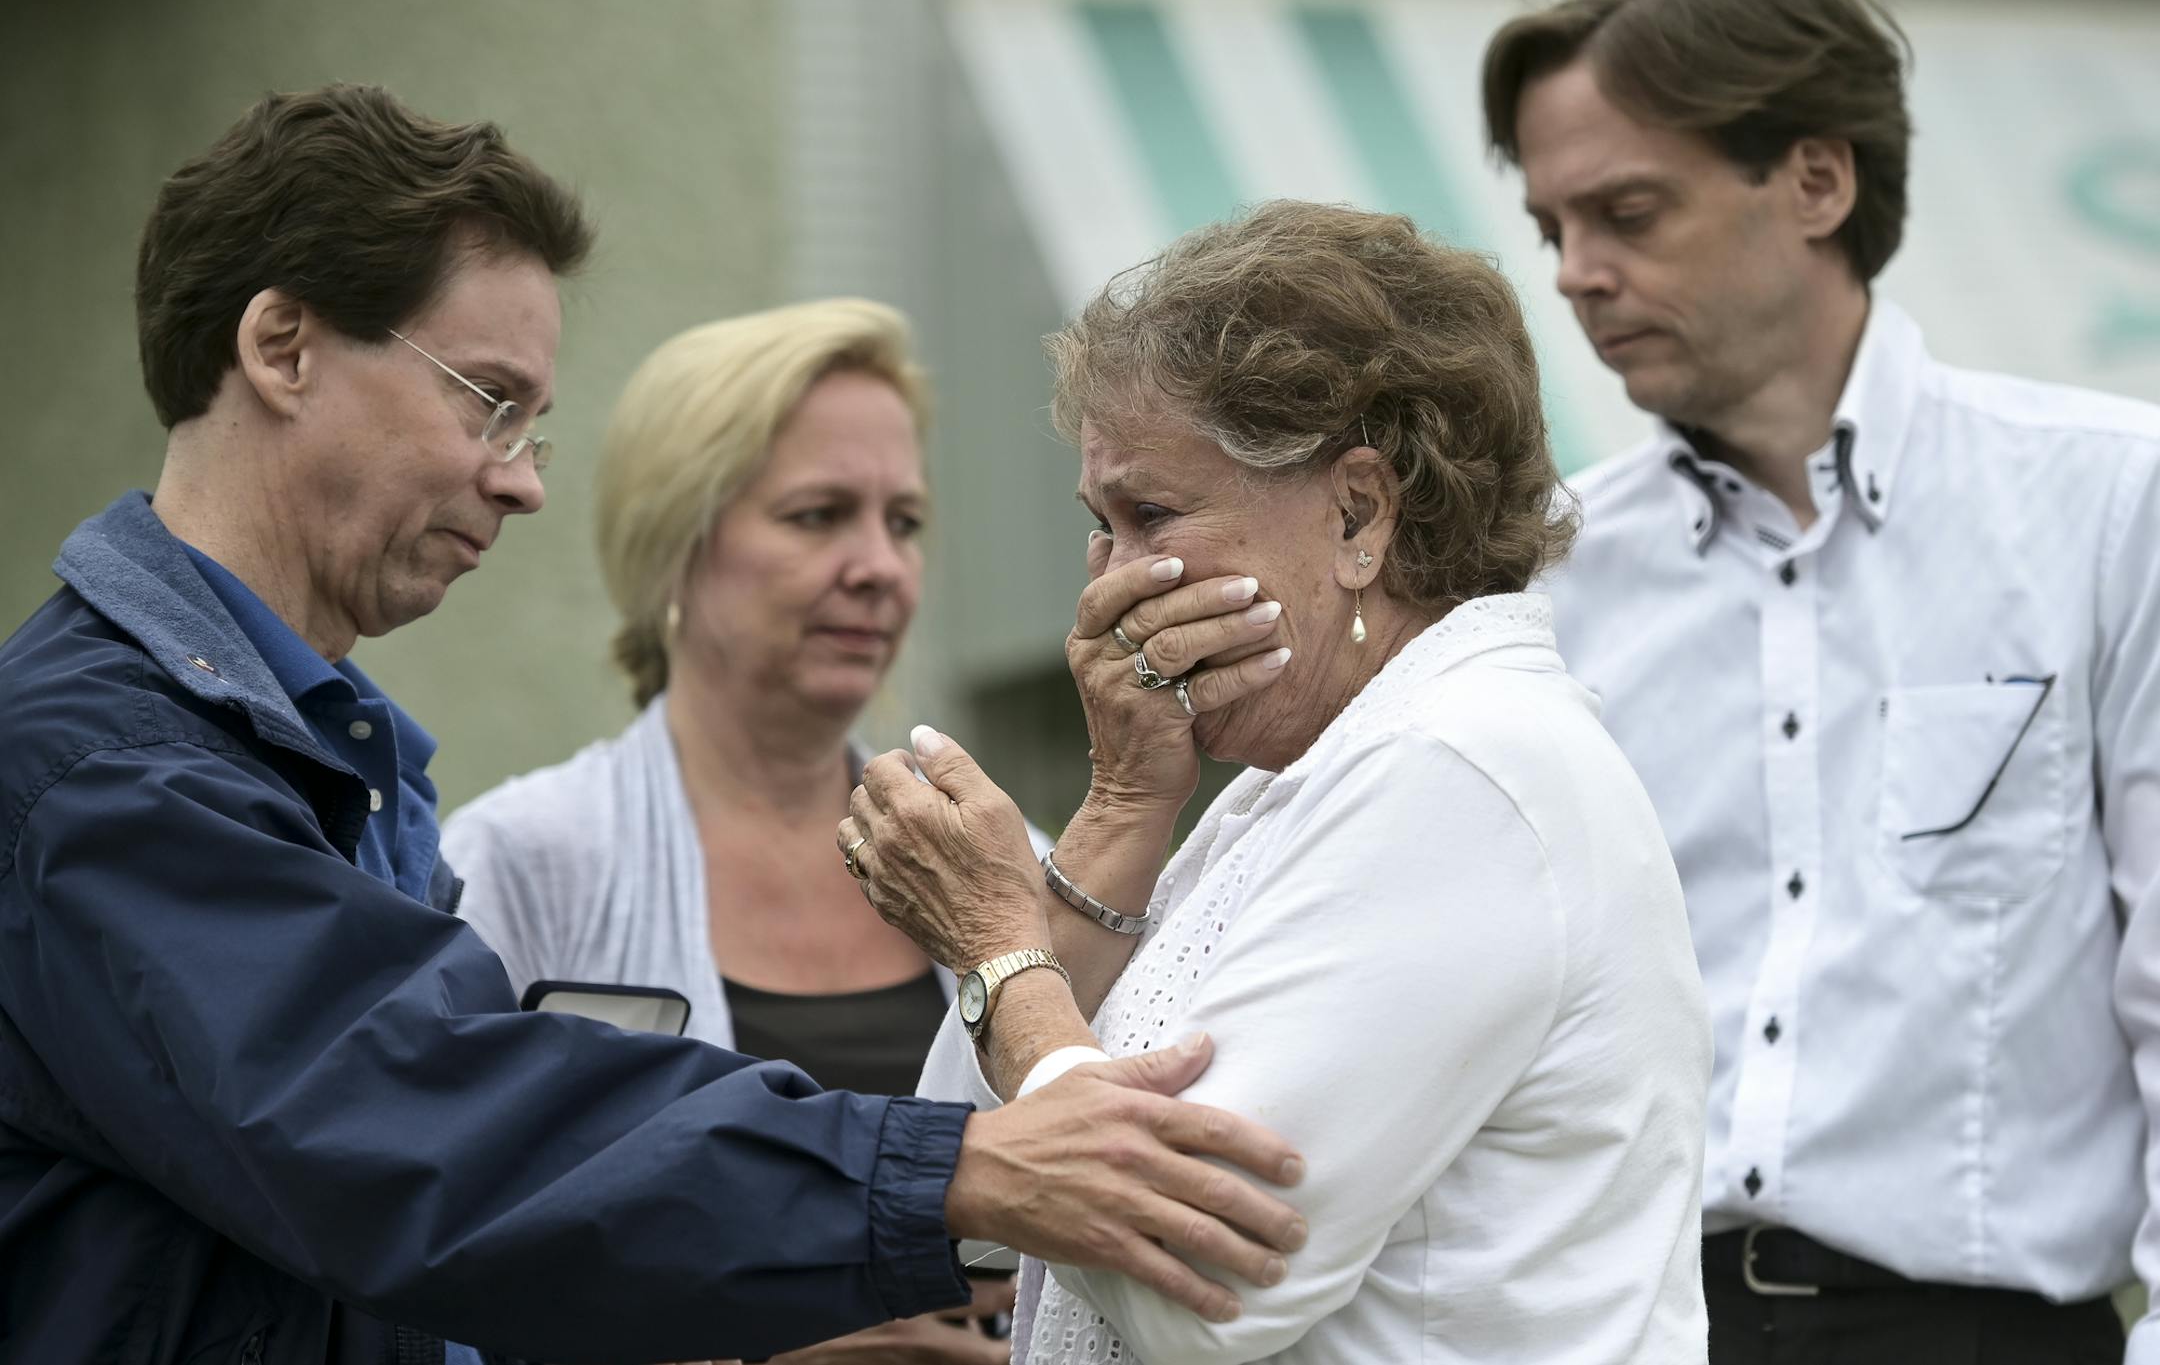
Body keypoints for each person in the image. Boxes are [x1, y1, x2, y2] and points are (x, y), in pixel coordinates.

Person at [0, 83, 1312, 1365]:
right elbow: (426, 1130)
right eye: (487, 400)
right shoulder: (105, 769)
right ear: (280, 346)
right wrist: (938, 1182)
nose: (516, 481)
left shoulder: (307, 756)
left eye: (904, 521)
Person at [836, 199, 1713, 1363]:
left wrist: (1000, 943)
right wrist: (1122, 813)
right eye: (1097, 525)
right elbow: (977, 1193)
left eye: (1152, 515)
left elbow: (1195, 1280)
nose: (1107, 585)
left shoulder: (1465, 768)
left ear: (1359, 511)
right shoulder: (1301, 779)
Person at [1480, 0, 2160, 1360]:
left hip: (1991, 1333)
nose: (1573, 272)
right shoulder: (1541, 582)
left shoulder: (2112, 505)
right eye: (1552, 225)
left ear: (1815, 182)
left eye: (1626, 210)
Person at [443, 299, 1023, 1361]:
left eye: (903, 521)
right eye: (818, 515)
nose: (880, 567)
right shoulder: (523, 860)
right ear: (676, 546)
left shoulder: (993, 847)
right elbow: (441, 1273)